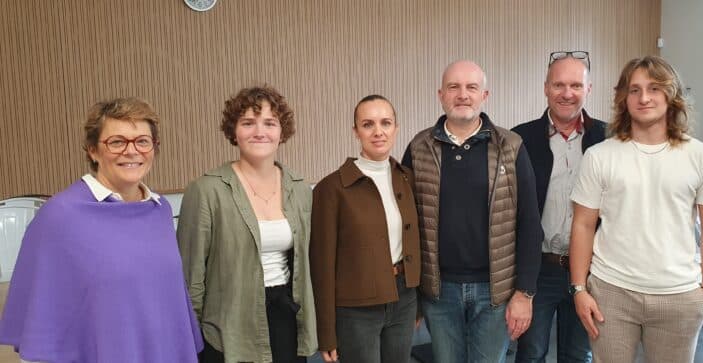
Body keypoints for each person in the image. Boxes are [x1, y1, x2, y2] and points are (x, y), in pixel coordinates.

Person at [0, 97, 203, 363]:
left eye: (142, 141)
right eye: (117, 142)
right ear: (93, 150)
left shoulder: (159, 209)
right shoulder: (60, 215)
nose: (132, 151)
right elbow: (43, 317)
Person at [569, 55, 703, 363]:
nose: (644, 98)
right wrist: (579, 288)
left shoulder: (701, 156)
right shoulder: (599, 156)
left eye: (655, 88)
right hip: (611, 293)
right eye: (635, 90)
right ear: (623, 98)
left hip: (679, 296)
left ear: (672, 95)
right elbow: (583, 225)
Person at [402, 60, 543, 362]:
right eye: (454, 87)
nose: (462, 94)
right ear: (441, 94)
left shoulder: (511, 146)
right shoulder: (419, 148)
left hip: (495, 292)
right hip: (439, 292)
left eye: (471, 87)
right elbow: (406, 224)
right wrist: (411, 297)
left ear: (485, 95)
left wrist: (525, 293)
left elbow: (530, 224)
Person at [177, 85, 317, 363]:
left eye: (269, 123)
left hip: (286, 315)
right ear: (234, 131)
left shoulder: (299, 188)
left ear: (282, 130)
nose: (259, 132)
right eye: (248, 123)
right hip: (229, 324)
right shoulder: (207, 190)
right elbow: (190, 277)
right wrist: (191, 340)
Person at [310, 94, 421, 363]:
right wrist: (325, 332)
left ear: (396, 128)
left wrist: (420, 303)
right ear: (355, 131)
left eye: (386, 123)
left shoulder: (408, 178)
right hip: (356, 309)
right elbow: (321, 265)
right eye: (368, 124)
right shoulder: (332, 188)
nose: (378, 132)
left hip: (404, 298)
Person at [512, 51, 605, 363]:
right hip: (538, 269)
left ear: (588, 89)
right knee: (531, 353)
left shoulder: (609, 139)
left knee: (579, 355)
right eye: (559, 85)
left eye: (576, 85)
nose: (567, 93)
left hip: (593, 270)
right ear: (545, 88)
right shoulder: (519, 139)